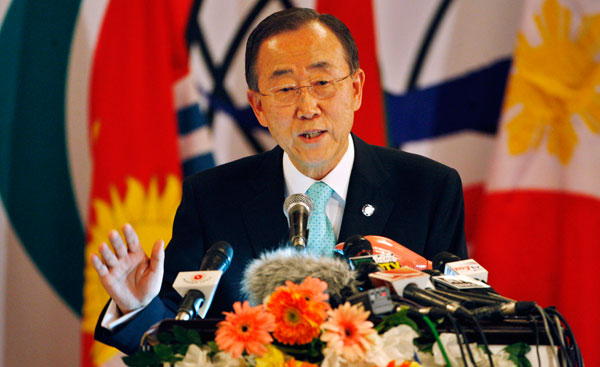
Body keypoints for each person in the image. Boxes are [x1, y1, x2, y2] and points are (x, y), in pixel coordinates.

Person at [92, 8, 468, 354]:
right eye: (286, 90)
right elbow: (179, 331)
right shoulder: (211, 198)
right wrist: (136, 305)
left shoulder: (428, 190)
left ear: (355, 89)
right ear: (258, 106)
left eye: (322, 82)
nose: (307, 108)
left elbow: (458, 323)